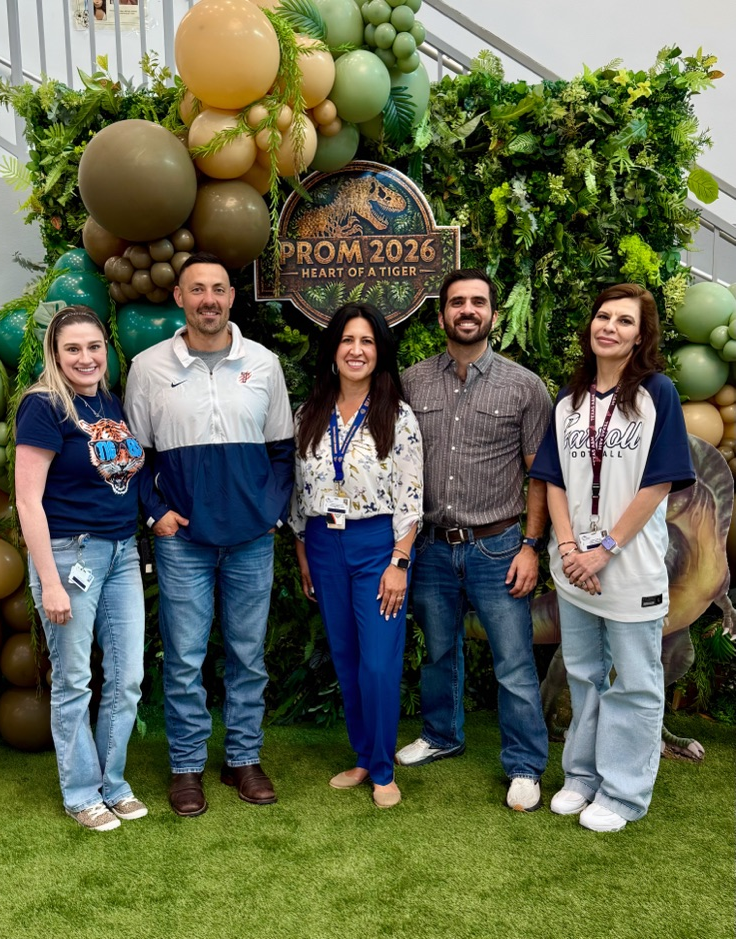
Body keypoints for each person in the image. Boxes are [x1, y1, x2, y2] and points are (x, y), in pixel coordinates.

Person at [124, 252, 294, 817]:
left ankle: (243, 759)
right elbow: (135, 458)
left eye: (218, 289)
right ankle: (186, 767)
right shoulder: (148, 368)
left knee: (248, 655)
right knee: (185, 657)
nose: (209, 300)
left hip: (250, 539)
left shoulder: (264, 364)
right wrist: (157, 515)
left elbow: (282, 453)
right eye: (197, 290)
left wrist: (271, 512)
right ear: (180, 299)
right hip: (182, 541)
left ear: (232, 296)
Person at [530, 283, 695, 832]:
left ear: (641, 336)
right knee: (582, 672)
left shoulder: (658, 393)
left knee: (636, 681)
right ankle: (581, 775)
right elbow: (551, 479)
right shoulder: (570, 398)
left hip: (630, 566)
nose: (610, 327)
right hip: (574, 565)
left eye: (625, 321)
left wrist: (604, 549)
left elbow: (659, 481)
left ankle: (623, 793)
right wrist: (572, 548)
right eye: (603, 316)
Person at [395, 269, 551, 812]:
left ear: (492, 314)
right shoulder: (411, 382)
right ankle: (441, 735)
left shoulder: (524, 386)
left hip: (499, 545)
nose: (467, 310)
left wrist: (532, 546)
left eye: (477, 302)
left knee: (513, 660)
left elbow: (541, 476)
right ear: (441, 316)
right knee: (439, 652)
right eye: (456, 302)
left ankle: (525, 765)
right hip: (433, 545)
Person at [14, 306, 146, 832]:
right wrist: (49, 581)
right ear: (55, 353)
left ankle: (113, 784)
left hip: (122, 553)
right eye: (73, 348)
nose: (86, 357)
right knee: (74, 679)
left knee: (128, 677)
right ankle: (81, 792)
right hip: (71, 555)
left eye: (94, 346)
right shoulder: (44, 406)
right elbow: (27, 502)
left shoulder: (108, 401)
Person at [289, 303, 423, 808]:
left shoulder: (398, 415)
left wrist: (399, 561)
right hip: (323, 544)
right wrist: (304, 554)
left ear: (379, 352)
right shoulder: (309, 412)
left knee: (378, 664)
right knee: (346, 660)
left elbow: (412, 494)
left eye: (367, 341)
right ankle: (364, 756)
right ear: (333, 350)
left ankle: (385, 770)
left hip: (377, 549)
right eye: (348, 340)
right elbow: (298, 494)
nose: (356, 350)